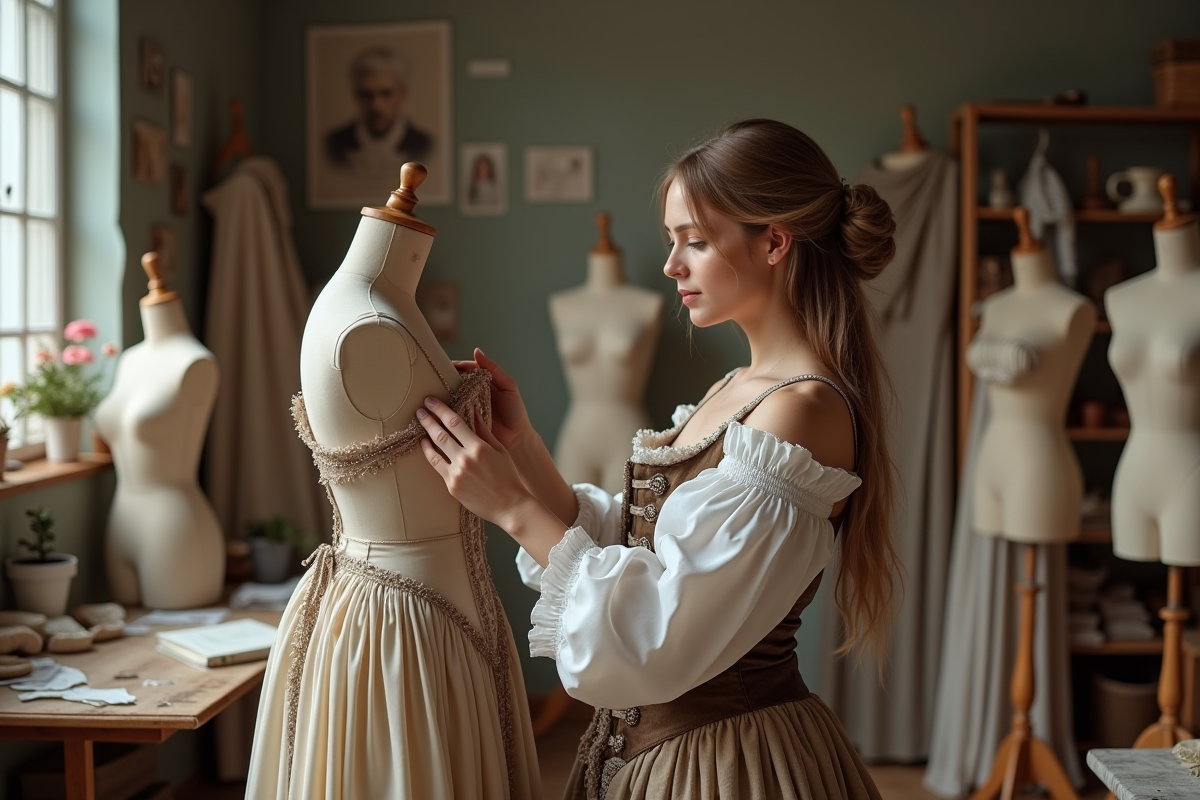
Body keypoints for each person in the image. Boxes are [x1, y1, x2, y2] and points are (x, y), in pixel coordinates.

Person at [416, 119, 899, 799]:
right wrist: (521, 449)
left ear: (774, 243)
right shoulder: (737, 389)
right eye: (674, 241)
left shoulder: (801, 411)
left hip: (727, 764)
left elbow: (659, 635)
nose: (672, 266)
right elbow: (644, 549)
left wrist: (514, 510)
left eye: (695, 243)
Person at [325, 47, 432, 177]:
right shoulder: (333, 145)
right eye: (367, 95)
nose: (376, 106)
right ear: (355, 95)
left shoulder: (425, 145)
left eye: (386, 94)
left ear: (403, 94)